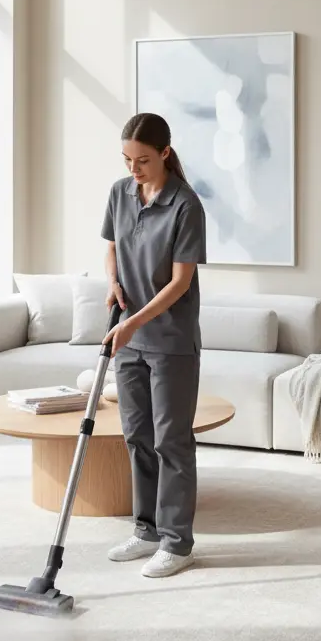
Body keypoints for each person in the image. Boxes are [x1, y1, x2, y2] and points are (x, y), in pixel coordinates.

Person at [101, 113, 207, 578]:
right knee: (138, 438)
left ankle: (177, 543)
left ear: (165, 153)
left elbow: (181, 282)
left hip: (170, 342)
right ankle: (145, 531)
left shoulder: (186, 205)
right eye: (127, 159)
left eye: (142, 160)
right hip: (130, 339)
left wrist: (134, 322)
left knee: (172, 442)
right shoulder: (120, 193)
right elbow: (111, 245)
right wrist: (112, 281)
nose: (133, 169)